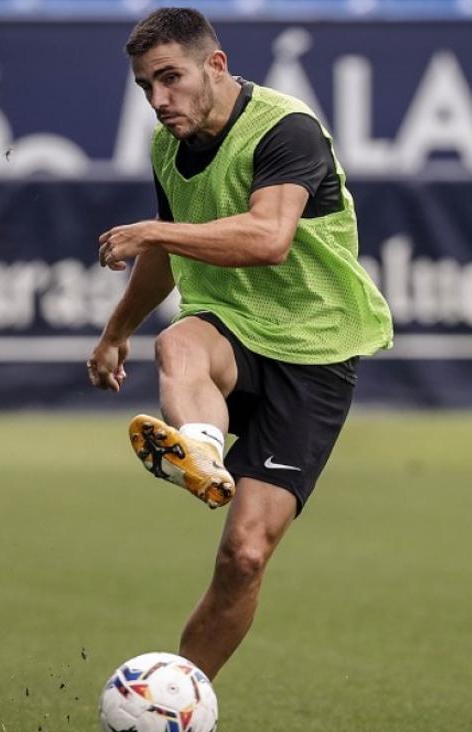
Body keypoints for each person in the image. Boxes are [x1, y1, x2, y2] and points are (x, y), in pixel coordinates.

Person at [87, 7, 393, 681]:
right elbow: (165, 262)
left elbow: (266, 238)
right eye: (145, 86)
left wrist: (154, 232)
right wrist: (116, 333)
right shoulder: (169, 145)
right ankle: (200, 448)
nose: (159, 100)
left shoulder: (287, 129)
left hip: (313, 352)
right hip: (229, 327)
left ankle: (182, 695)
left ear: (215, 66)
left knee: (245, 555)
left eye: (170, 79)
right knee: (180, 345)